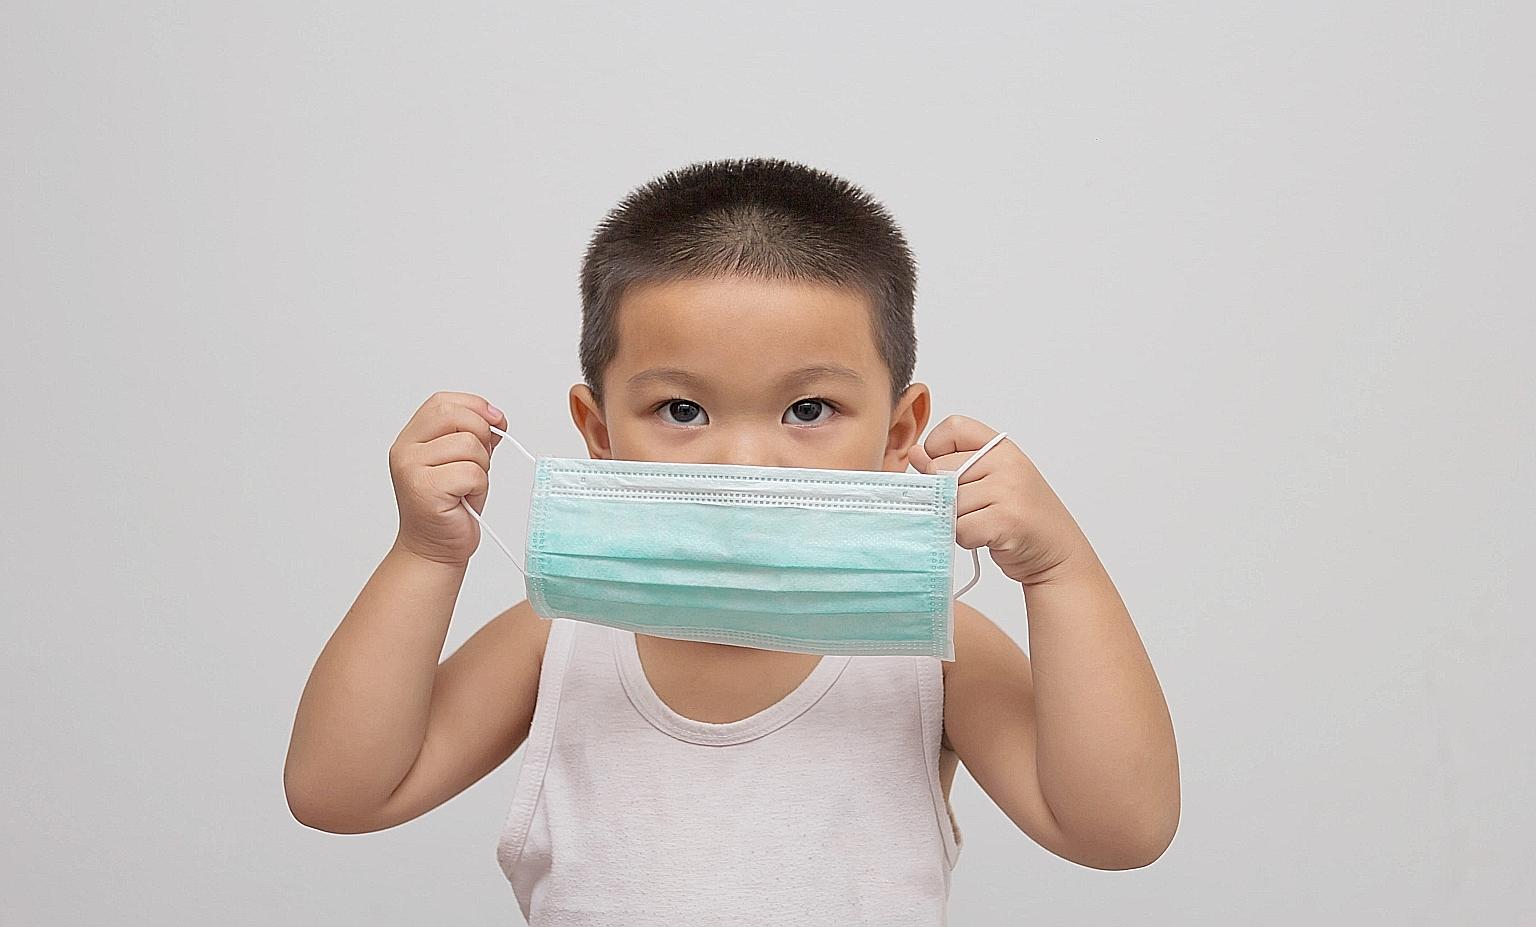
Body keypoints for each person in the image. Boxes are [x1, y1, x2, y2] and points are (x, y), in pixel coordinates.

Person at [284, 157, 1180, 924]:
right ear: (598, 431)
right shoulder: (561, 635)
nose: (748, 460)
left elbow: (1119, 829)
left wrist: (1063, 574)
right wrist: (425, 556)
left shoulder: (924, 646)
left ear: (901, 430)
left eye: (808, 410)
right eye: (682, 409)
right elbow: (342, 791)